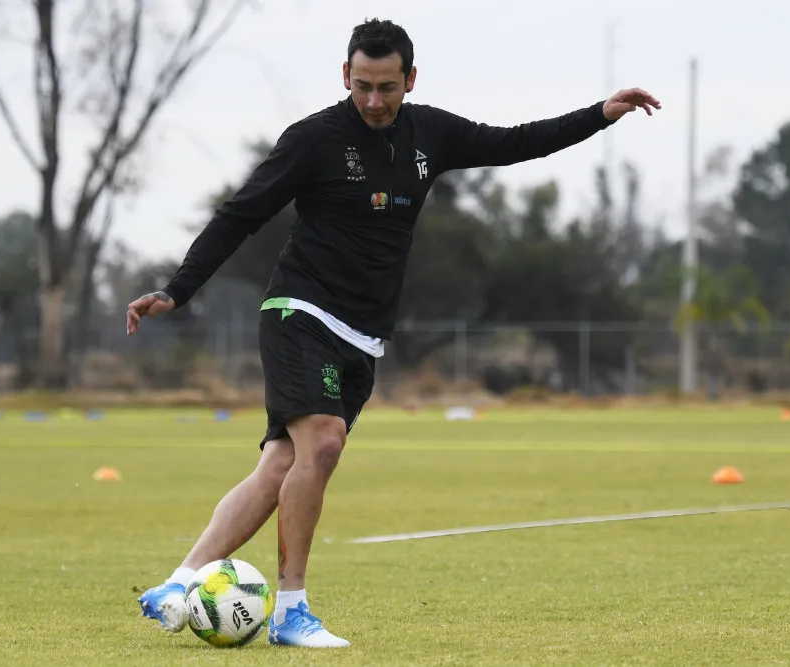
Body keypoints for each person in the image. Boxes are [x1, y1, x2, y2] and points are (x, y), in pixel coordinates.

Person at [126, 17, 660, 648]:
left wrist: (600, 113)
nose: (373, 101)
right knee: (321, 445)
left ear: (410, 79)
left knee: (281, 468)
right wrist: (177, 289)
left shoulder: (429, 133)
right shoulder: (313, 139)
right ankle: (291, 611)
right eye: (361, 86)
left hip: (363, 335)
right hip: (299, 312)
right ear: (345, 77)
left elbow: (516, 142)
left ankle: (178, 582)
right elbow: (240, 214)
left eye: (386, 87)